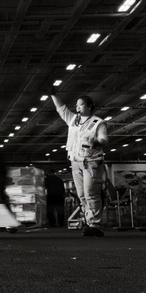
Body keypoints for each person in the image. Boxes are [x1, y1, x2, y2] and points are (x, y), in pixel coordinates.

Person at [50, 89, 108, 237]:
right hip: (75, 162)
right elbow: (61, 109)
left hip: (91, 162)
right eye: (76, 105)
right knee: (82, 195)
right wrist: (53, 95)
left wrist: (97, 142)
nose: (77, 108)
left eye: (81, 105)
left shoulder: (98, 122)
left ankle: (96, 224)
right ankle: (90, 222)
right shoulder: (73, 120)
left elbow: (104, 139)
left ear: (89, 106)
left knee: (91, 193)